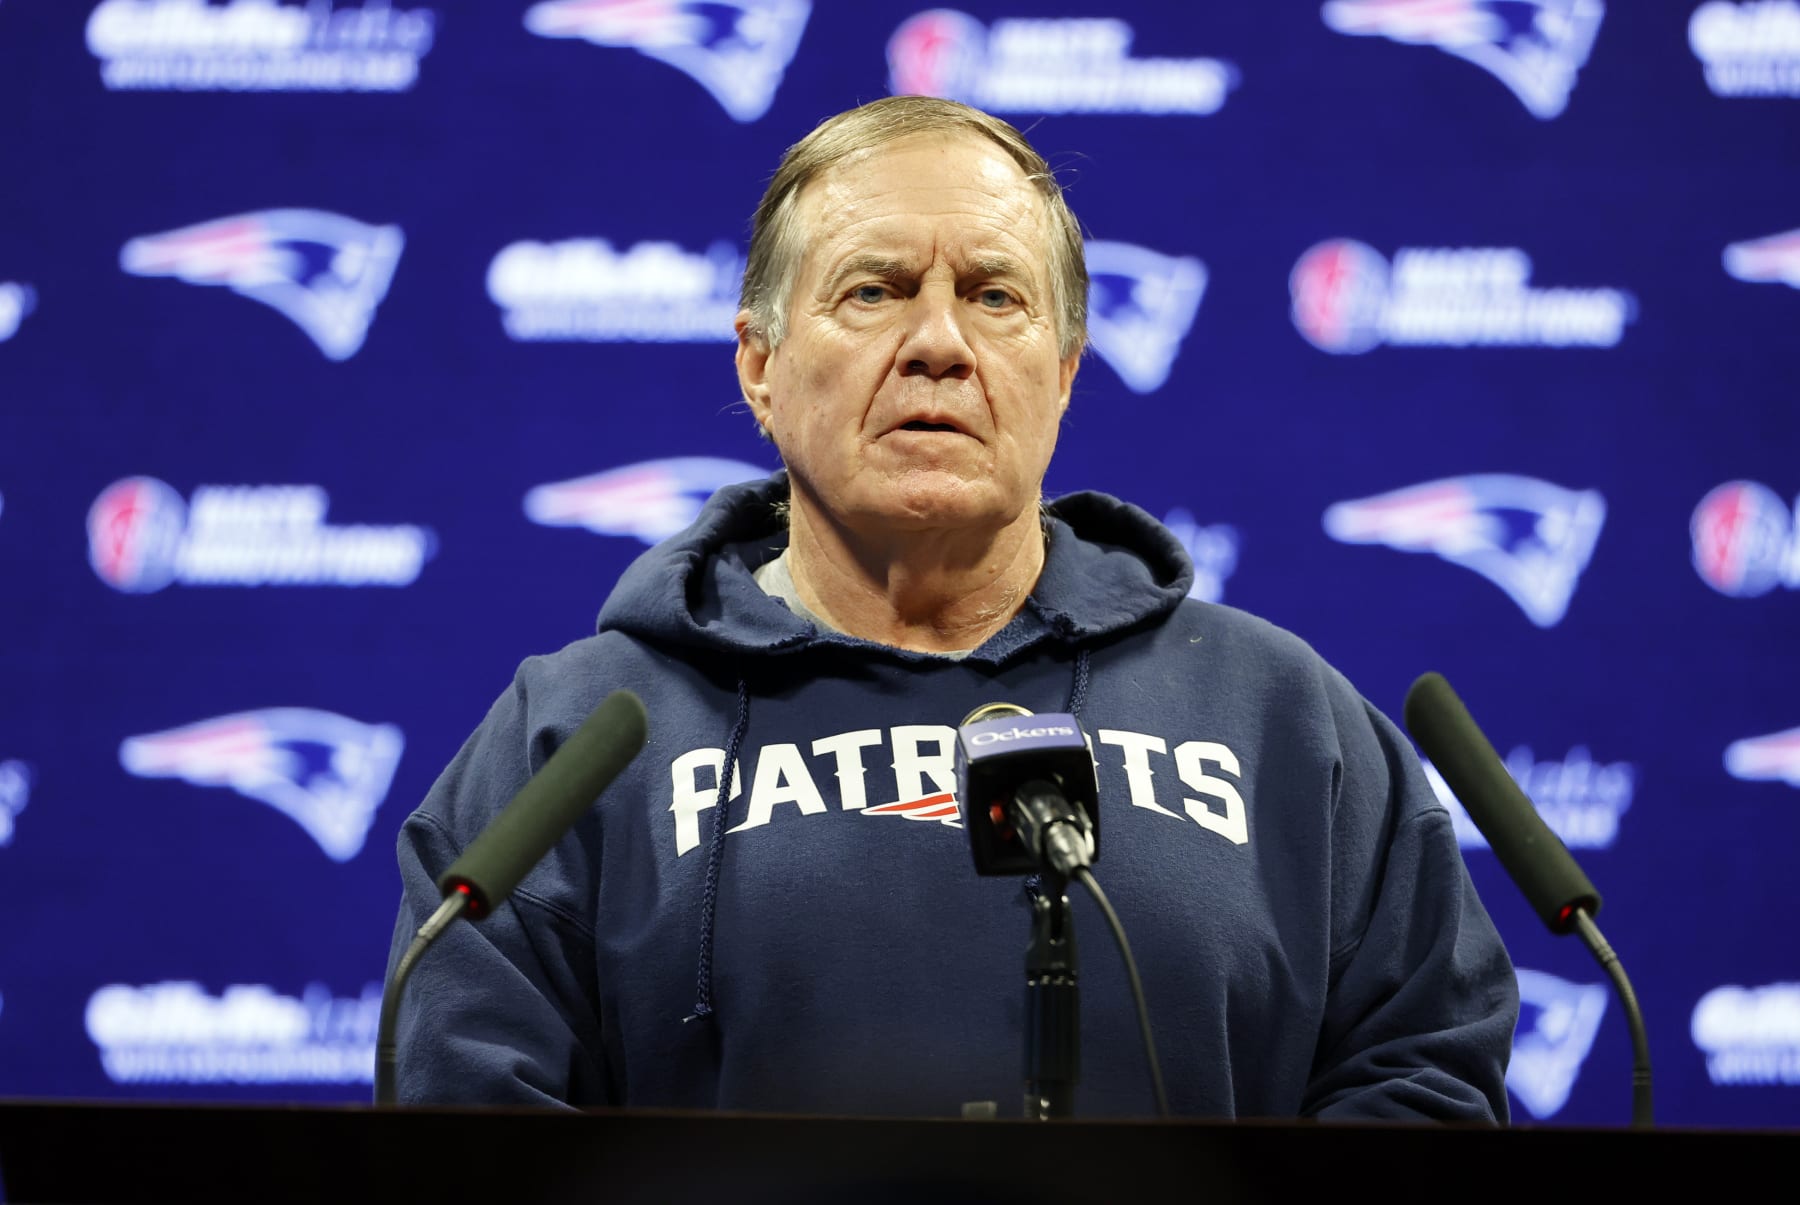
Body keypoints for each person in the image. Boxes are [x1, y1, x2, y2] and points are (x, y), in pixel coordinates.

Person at [384, 95, 1518, 1121]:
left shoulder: (1282, 717)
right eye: (873, 290)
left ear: (1065, 372)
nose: (937, 342)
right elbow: (466, 1111)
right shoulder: (577, 736)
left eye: (993, 295)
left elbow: (1426, 1077)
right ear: (759, 368)